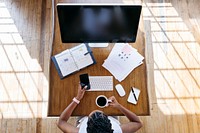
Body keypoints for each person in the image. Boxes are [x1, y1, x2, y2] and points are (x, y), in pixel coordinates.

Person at [57, 83, 142, 133]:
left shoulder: (80, 131)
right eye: (103, 114)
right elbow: (138, 123)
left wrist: (77, 99)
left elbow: (61, 122)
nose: (96, 110)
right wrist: (119, 106)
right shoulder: (117, 130)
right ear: (110, 126)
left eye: (91, 116)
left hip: (83, 118)